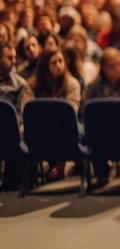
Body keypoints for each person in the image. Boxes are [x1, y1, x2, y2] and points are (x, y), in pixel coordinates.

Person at [82, 48, 120, 188]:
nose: (116, 68)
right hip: (101, 135)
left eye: (118, 64)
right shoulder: (93, 88)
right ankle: (101, 174)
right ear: (103, 68)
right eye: (111, 66)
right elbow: (85, 112)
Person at [18, 48, 82, 181]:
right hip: (40, 126)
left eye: (61, 61)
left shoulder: (72, 83)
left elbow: (71, 111)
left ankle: (59, 165)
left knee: (66, 128)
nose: (59, 66)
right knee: (23, 130)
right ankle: (28, 173)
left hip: (64, 126)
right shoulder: (32, 85)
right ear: (45, 66)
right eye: (54, 63)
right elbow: (27, 110)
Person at [0, 42, 27, 190]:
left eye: (15, 57)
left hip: (9, 128)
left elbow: (19, 112)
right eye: (9, 57)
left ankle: (11, 181)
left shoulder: (19, 83)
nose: (14, 61)